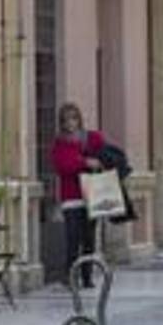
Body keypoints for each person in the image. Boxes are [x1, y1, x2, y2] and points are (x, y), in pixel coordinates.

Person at [50, 102, 105, 287]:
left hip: (92, 195)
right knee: (73, 238)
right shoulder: (60, 142)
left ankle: (88, 277)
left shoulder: (93, 138)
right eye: (66, 120)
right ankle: (69, 276)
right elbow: (62, 166)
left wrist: (96, 162)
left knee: (89, 239)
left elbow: (106, 155)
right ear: (62, 123)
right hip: (71, 197)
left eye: (74, 118)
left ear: (79, 119)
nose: (70, 123)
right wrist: (84, 162)